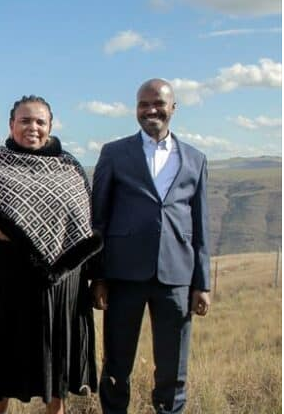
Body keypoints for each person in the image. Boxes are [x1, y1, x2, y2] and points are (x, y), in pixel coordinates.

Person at [0, 95, 102, 414]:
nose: (33, 127)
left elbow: (86, 226)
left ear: (51, 126)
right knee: (1, 359)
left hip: (60, 287)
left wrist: (96, 279)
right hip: (4, 283)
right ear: (11, 124)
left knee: (56, 359)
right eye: (25, 121)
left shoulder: (69, 167)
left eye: (40, 122)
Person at [91, 78, 211, 414]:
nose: (150, 110)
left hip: (176, 277)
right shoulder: (114, 153)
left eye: (158, 103)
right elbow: (98, 218)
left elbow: (201, 224)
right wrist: (98, 277)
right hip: (123, 276)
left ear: (173, 107)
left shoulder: (195, 159)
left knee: (173, 369)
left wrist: (202, 283)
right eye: (143, 104)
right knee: (116, 365)